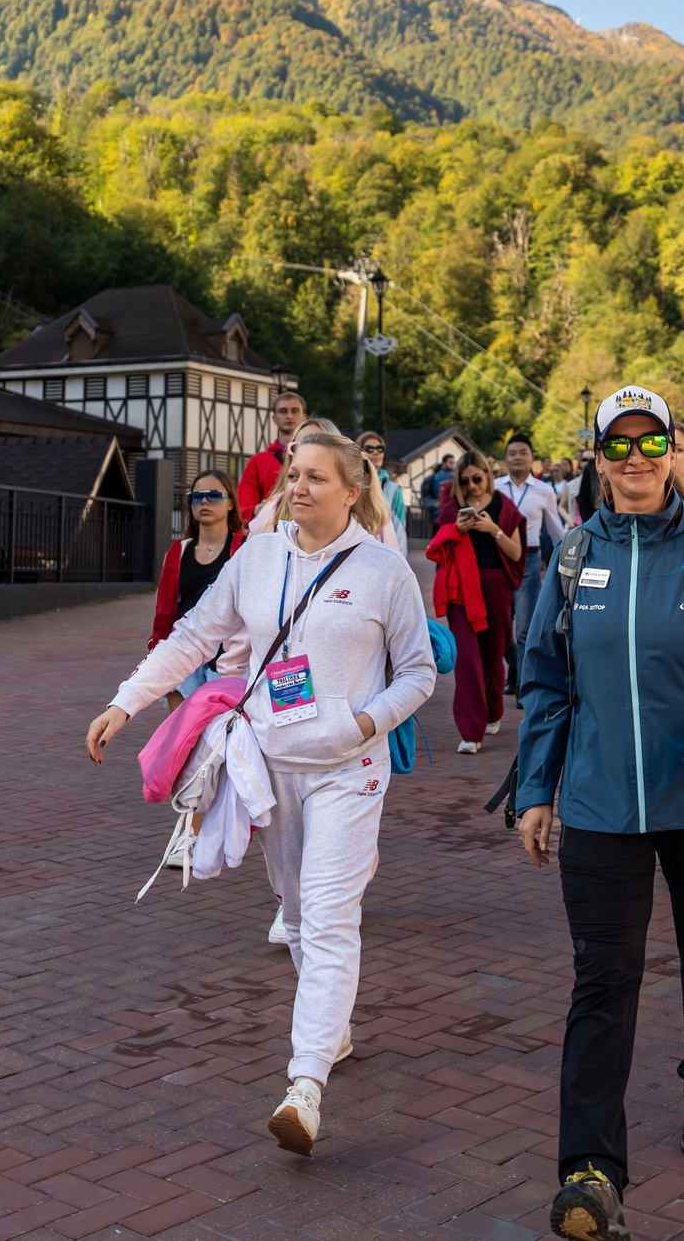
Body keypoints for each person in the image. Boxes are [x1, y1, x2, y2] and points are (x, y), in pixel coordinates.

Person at [88, 431, 434, 1155]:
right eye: (291, 476)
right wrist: (126, 702)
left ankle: (303, 1086)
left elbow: (418, 673)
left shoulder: (382, 569)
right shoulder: (258, 556)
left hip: (348, 767)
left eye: (314, 477)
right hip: (272, 762)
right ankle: (331, 1030)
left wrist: (363, 722)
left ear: (351, 490)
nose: (297, 487)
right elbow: (192, 637)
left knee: (332, 914)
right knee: (299, 910)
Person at [514, 386, 684, 1241]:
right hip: (598, 806)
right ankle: (590, 1172)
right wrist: (534, 787)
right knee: (603, 978)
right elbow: (546, 682)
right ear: (598, 458)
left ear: (672, 451)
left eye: (650, 443)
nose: (635, 460)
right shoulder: (572, 558)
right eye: (618, 446)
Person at [435, 454, 525, 752]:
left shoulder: (504, 507)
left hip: (495, 586)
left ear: (488, 475)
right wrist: (455, 529)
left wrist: (493, 530)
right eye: (465, 481)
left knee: (492, 657)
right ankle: (471, 732)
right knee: (467, 660)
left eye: (477, 478)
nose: (472, 486)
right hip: (460, 589)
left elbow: (515, 554)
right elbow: (437, 548)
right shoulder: (452, 509)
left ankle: (493, 710)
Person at [148, 469, 249, 705]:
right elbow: (164, 612)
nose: (204, 501)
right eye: (196, 496)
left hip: (229, 659)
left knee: (220, 738)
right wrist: (159, 658)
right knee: (183, 736)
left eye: (214, 495)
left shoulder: (246, 547)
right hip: (185, 657)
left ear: (231, 504)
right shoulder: (178, 551)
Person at [498, 434, 566, 687]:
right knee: (502, 627)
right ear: (506, 458)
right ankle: (515, 666)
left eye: (523, 453)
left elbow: (556, 529)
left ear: (532, 459)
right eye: (512, 453)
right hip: (499, 560)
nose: (517, 457)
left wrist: (570, 554)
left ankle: (522, 685)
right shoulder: (494, 488)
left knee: (525, 628)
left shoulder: (544, 490)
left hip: (529, 560)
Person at [237, 389, 308, 522]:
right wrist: (257, 510)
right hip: (271, 528)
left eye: (294, 411)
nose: (289, 416)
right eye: (283, 411)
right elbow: (241, 510)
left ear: (305, 417)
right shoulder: (258, 461)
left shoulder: (316, 457)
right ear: (274, 419)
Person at [360, 432, 410, 554]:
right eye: (369, 449)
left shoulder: (393, 489)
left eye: (380, 449)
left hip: (384, 552)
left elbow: (400, 530)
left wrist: (401, 562)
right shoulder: (351, 486)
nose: (376, 452)